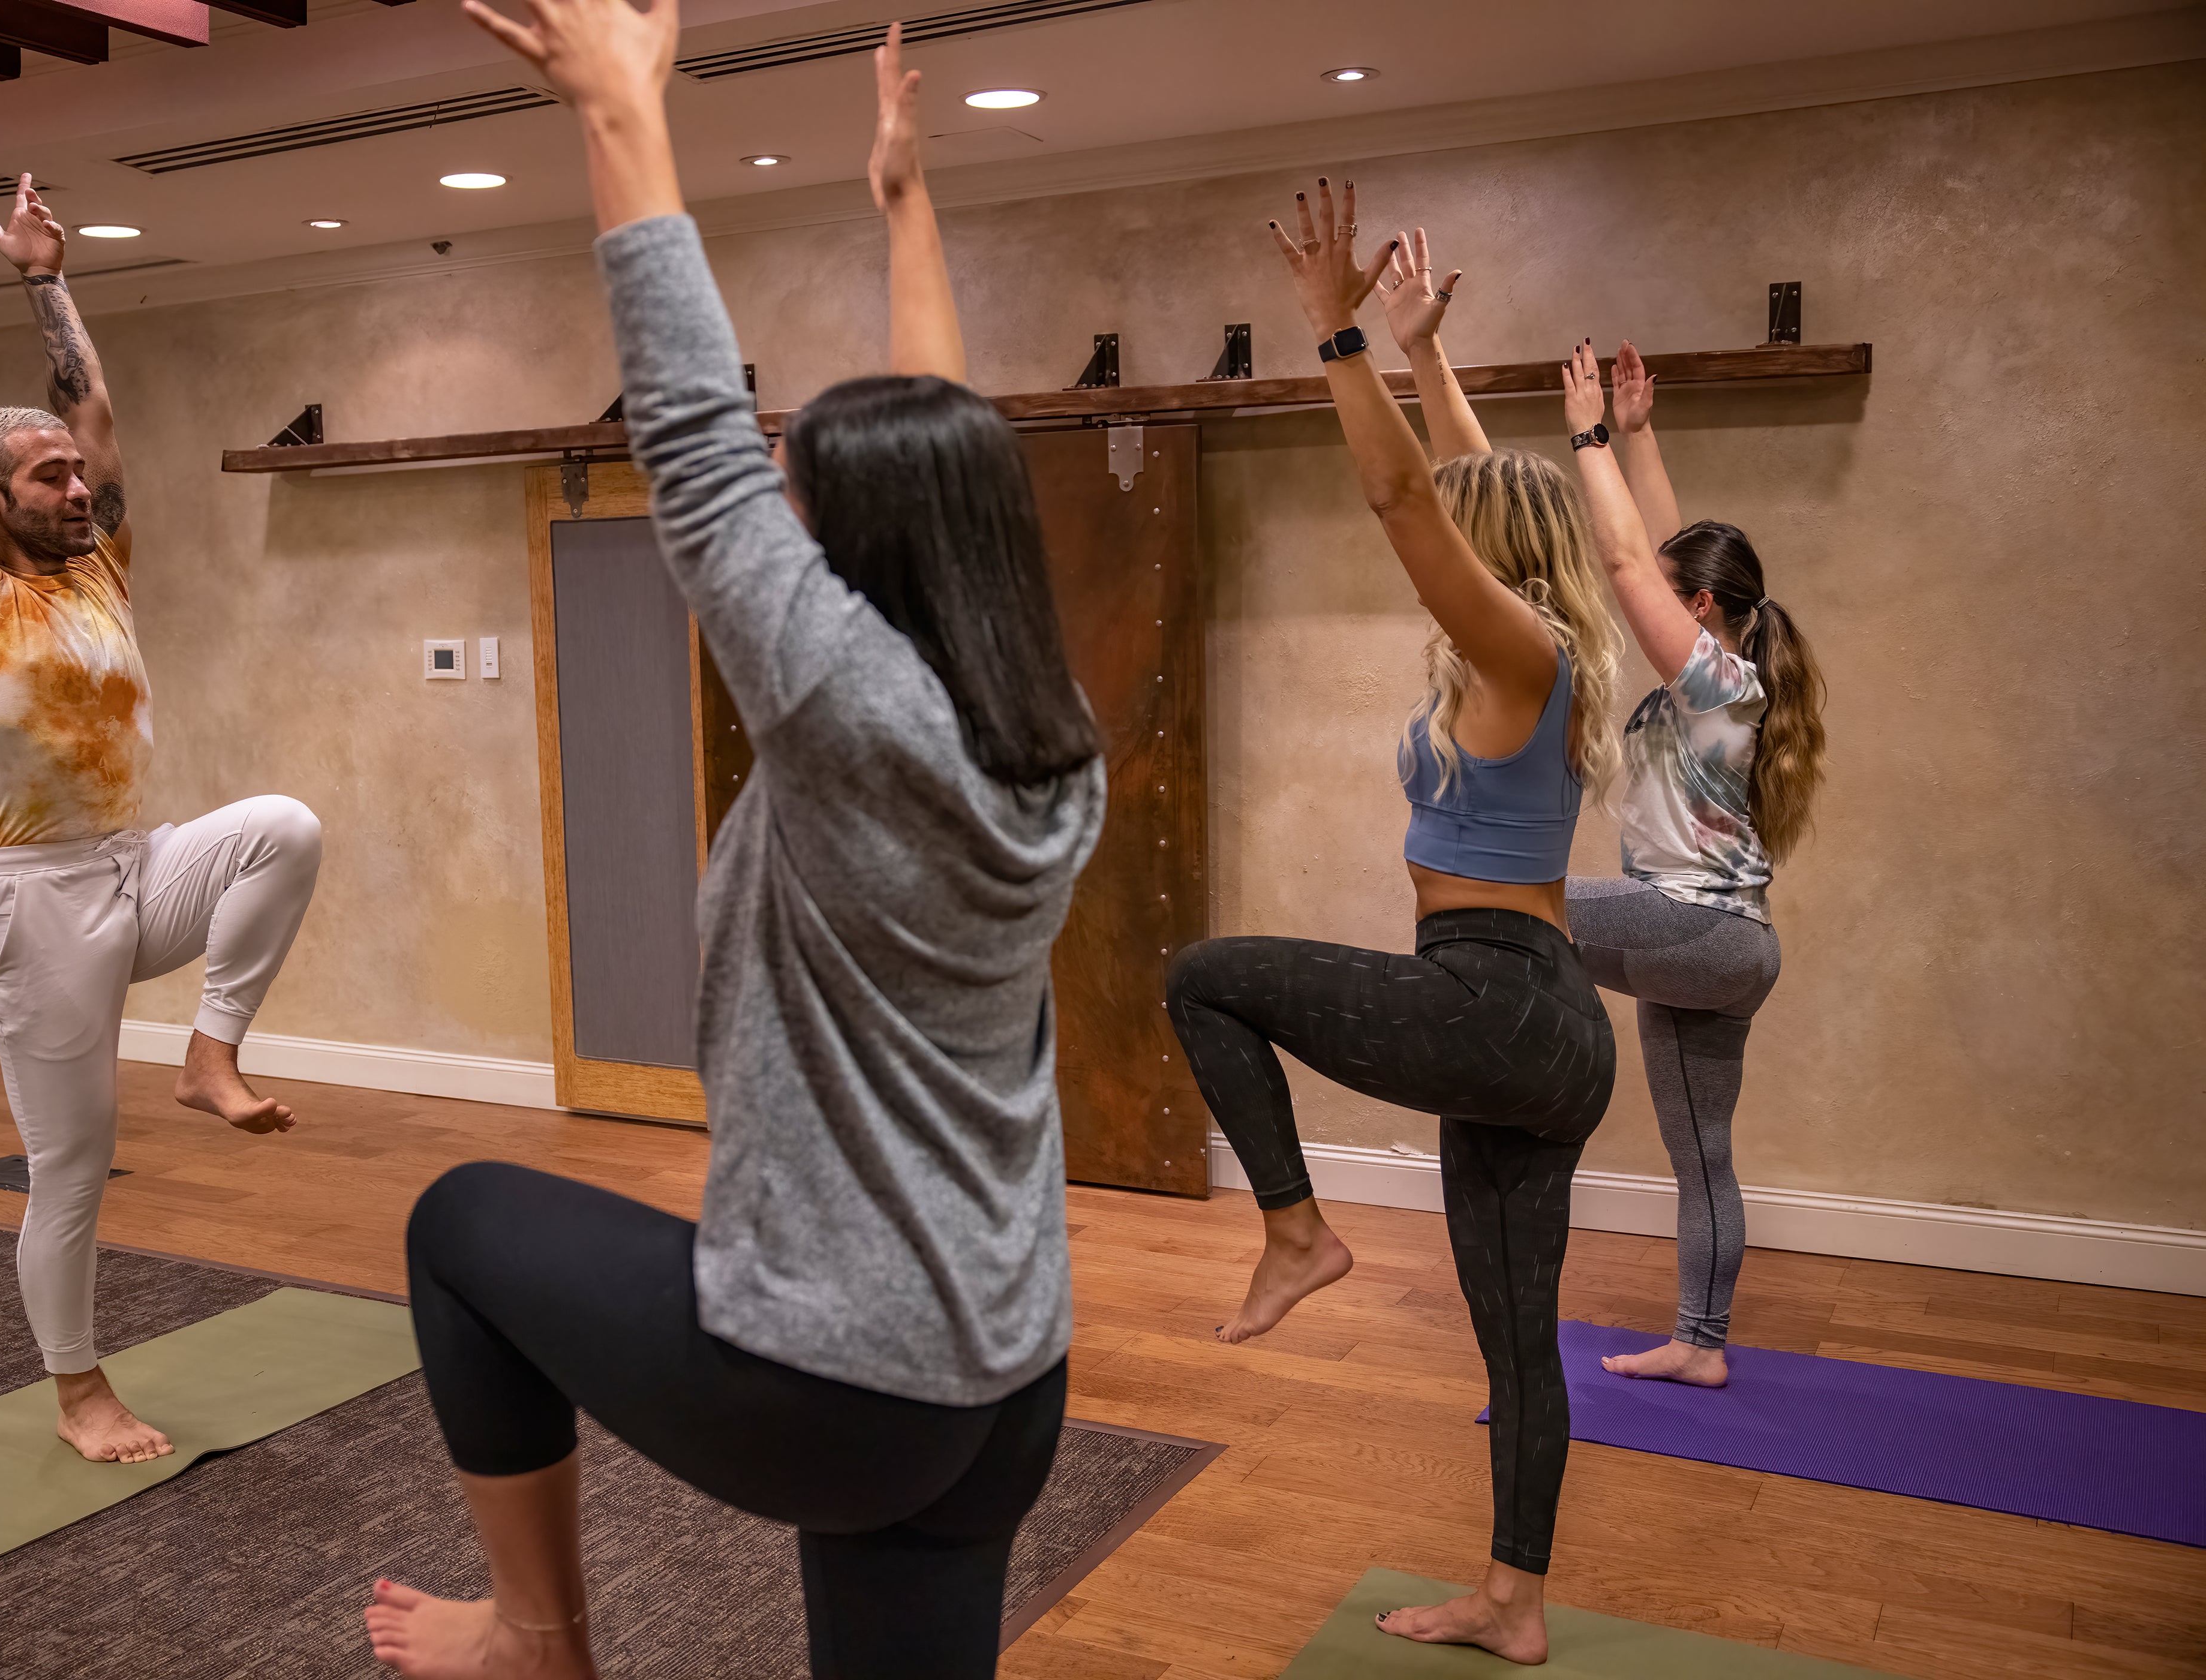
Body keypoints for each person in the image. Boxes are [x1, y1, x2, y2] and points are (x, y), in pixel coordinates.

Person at [365, 8, 1105, 1678]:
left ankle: (536, 1638)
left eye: (799, 494)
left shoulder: (846, 713)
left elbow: (692, 436)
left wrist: (620, 109)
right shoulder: (1044, 725)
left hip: (842, 1385)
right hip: (1004, 1375)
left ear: (849, 555)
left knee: (461, 1228)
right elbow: (949, 451)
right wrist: (906, 207)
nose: (776, 508)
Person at [1163, 208, 1622, 1666]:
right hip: (1537, 1025)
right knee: (1515, 1338)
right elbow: (1468, 488)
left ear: (1493, 554)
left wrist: (1341, 334)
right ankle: (1513, 1603)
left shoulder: (1520, 653)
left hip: (1500, 1001)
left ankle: (1296, 1232)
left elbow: (1409, 501)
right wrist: (1427, 359)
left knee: (1207, 980)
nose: (1446, 535)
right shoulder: (1539, 649)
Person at [0, 137, 323, 1464]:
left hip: (138, 863)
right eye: (50, 477)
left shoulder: (100, 567)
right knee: (70, 1166)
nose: (80, 488)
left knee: (283, 829)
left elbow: (96, 402)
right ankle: (78, 1392)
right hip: (34, 901)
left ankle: (210, 1057)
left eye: (78, 471)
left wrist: (44, 279)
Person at [1559, 339, 1829, 1387]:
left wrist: (1587, 436)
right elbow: (1662, 551)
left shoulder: (1719, 684)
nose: (1657, 610)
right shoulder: (1725, 678)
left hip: (1692, 924)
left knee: (1506, 904)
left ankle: (1498, 1097)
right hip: (1731, 947)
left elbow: (1634, 565)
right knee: (1702, 1155)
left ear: (1700, 613)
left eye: (1680, 601)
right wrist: (1639, 435)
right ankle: (1700, 1345)